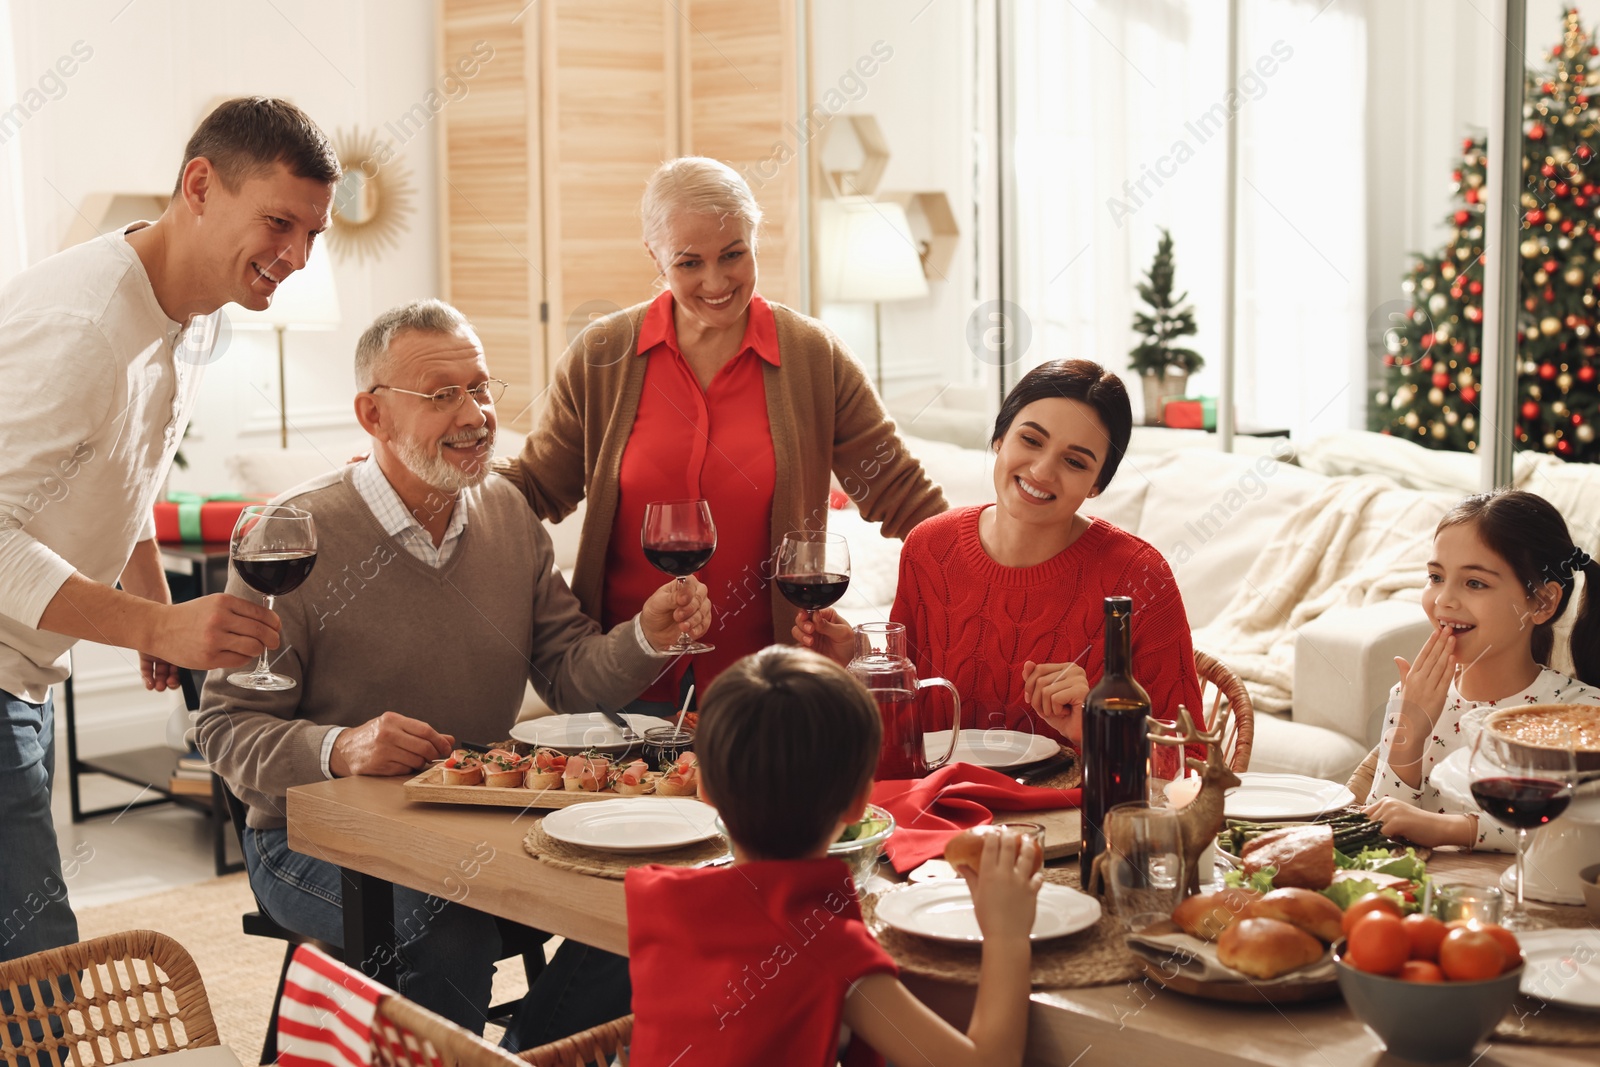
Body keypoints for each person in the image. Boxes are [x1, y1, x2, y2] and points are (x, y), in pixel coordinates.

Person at [194, 299, 710, 1042]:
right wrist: (341, 748)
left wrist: (645, 636)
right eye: (443, 395)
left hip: (476, 827)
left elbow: (568, 675)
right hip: (310, 841)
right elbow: (225, 728)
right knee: (446, 930)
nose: (475, 414)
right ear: (373, 415)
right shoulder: (292, 536)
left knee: (649, 900)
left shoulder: (507, 514)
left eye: (481, 387)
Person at [0, 97, 337, 961]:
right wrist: (154, 622)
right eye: (278, 222)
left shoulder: (196, 308)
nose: (295, 256)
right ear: (199, 185)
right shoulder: (80, 329)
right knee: (36, 972)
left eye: (312, 233)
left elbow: (116, 461)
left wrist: (145, 582)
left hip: (22, 669)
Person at [494, 156, 946, 713]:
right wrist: (431, 483)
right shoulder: (604, 355)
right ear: (654, 256)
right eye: (689, 263)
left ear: (756, 241)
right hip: (625, 687)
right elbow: (536, 486)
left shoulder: (811, 355)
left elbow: (901, 493)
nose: (716, 282)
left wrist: (992, 552)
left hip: (768, 694)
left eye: (734, 254)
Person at [625, 646, 1041, 1066]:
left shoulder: (659, 898)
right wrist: (1007, 932)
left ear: (704, 790)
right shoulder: (827, 949)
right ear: (861, 803)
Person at [796, 359, 1202, 775]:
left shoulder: (1140, 576)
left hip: (1071, 827)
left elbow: (1191, 766)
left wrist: (1095, 730)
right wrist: (856, 668)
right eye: (1030, 439)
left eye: (1075, 462)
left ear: (1097, 483)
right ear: (999, 438)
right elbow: (902, 735)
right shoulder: (929, 548)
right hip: (939, 820)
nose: (1042, 472)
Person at [1364, 488, 1600, 849]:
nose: (1443, 600)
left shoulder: (1582, 715)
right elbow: (1377, 830)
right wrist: (1410, 732)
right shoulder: (1409, 696)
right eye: (1436, 577)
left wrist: (1454, 829)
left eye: (1475, 583)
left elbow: (1573, 833)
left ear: (1542, 601)